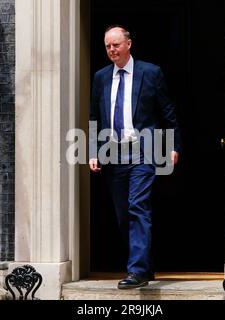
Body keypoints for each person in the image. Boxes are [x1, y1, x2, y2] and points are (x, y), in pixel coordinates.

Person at [89, 25, 182, 289]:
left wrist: (174, 145)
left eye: (116, 45)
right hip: (113, 154)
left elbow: (167, 111)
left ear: (129, 44)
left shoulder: (150, 72)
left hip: (144, 152)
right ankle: (146, 264)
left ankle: (137, 271)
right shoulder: (101, 77)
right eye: (107, 46)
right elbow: (95, 116)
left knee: (137, 207)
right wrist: (93, 151)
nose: (111, 50)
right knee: (123, 215)